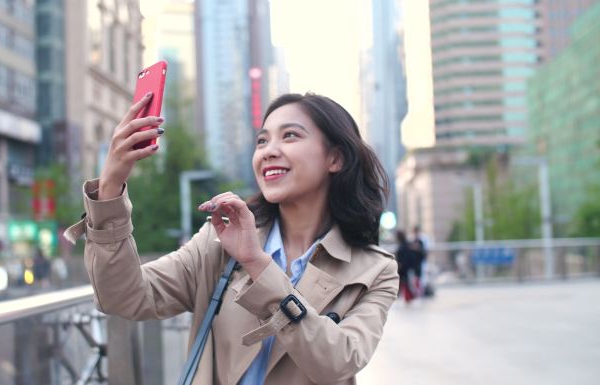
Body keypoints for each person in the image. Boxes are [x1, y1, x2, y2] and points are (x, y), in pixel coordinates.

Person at [64, 92, 399, 385]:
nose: (269, 151)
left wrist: (257, 263)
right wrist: (109, 191)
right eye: (262, 141)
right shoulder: (218, 242)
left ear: (335, 158)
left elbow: (337, 362)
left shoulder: (373, 271)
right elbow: (122, 296)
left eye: (291, 136)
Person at [394, 230, 419, 304]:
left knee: (406, 283)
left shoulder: (403, 246)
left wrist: (400, 265)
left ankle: (410, 296)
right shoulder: (407, 245)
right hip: (406, 267)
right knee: (405, 283)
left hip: (404, 268)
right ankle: (409, 296)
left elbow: (404, 257)